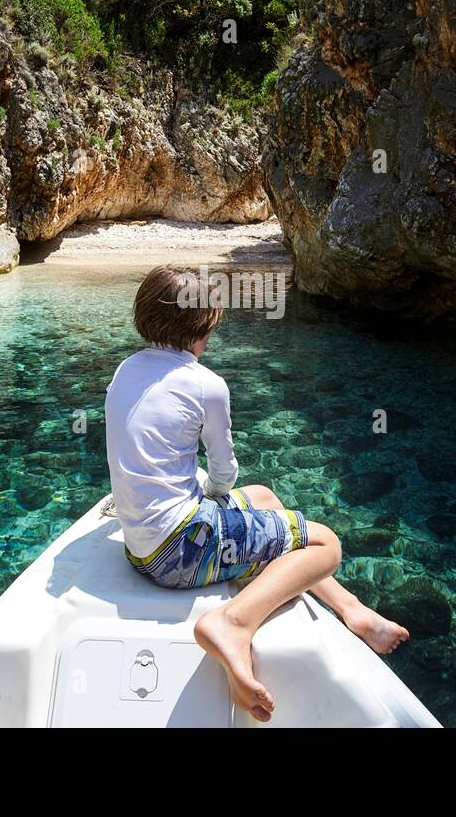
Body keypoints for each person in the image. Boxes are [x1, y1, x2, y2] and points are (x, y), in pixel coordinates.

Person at [104, 265, 409, 722]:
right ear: (204, 326)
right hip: (181, 552)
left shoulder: (125, 369)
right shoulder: (207, 385)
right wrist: (216, 493)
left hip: (140, 549)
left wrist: (210, 495)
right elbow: (224, 474)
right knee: (326, 544)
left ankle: (353, 610)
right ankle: (233, 623)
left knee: (264, 498)